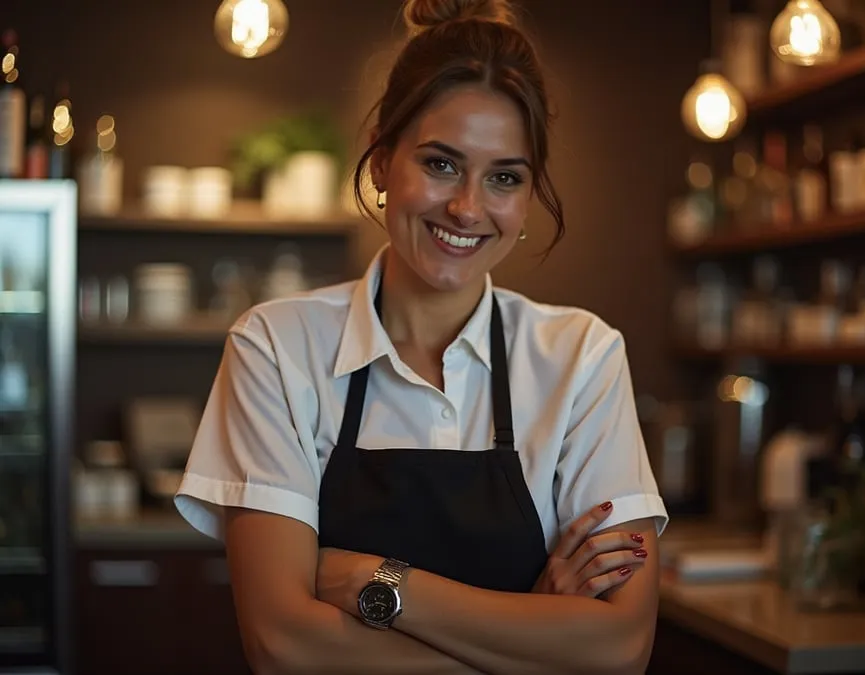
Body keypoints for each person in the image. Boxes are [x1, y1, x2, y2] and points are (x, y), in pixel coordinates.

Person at [174, 0, 668, 672]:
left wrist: (375, 580)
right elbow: (283, 644)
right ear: (381, 159)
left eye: (503, 178)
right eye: (440, 164)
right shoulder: (277, 347)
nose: (467, 207)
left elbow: (621, 648)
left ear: (528, 197)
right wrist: (534, 632)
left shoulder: (581, 357)